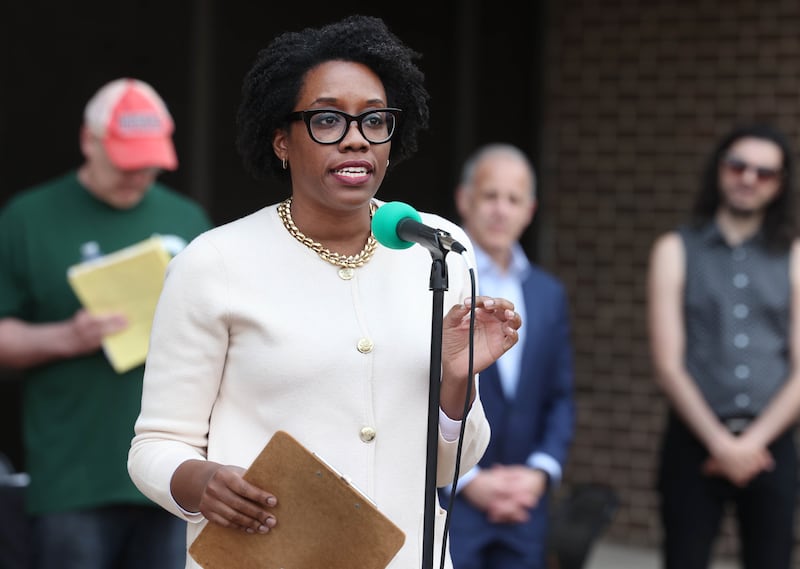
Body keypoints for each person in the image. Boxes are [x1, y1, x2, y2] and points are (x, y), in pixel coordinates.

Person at [126, 14, 521, 569]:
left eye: (374, 120)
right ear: (281, 140)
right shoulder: (213, 264)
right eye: (328, 120)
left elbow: (449, 465)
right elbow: (154, 446)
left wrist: (458, 384)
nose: (356, 138)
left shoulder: (438, 248)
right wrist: (201, 480)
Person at [0, 78, 213, 569]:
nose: (138, 174)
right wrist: (65, 337)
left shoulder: (187, 217)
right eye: (125, 160)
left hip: (173, 473)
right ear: (87, 141)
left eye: (149, 162)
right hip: (74, 477)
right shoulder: (28, 217)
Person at [647, 123, 800, 569]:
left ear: (780, 184)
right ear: (720, 169)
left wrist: (750, 444)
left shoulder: (794, 255)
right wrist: (721, 445)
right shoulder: (674, 249)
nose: (749, 178)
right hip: (692, 443)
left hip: (772, 444)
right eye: (738, 166)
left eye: (764, 172)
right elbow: (668, 366)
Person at [438, 143, 575, 569]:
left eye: (513, 199)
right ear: (464, 200)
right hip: (451, 502)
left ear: (529, 210)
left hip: (524, 504)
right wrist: (467, 480)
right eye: (490, 196)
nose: (501, 209)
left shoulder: (548, 294)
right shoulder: (437, 283)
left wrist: (539, 473)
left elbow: (560, 395)